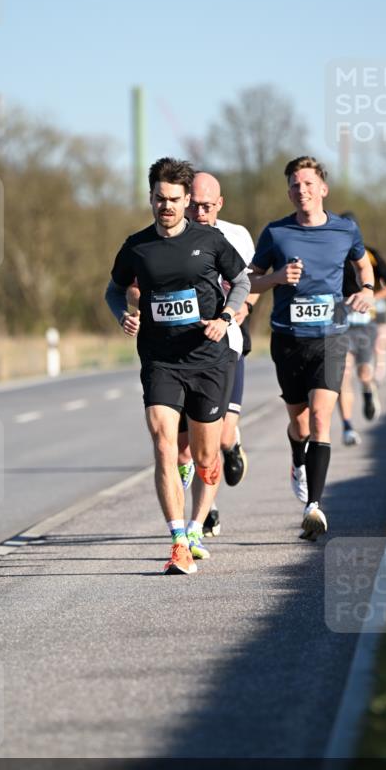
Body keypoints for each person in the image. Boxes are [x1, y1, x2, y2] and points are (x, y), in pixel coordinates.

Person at [105, 157, 250, 574]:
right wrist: (123, 314)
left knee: (205, 458)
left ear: (187, 200)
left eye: (173, 199)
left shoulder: (210, 240)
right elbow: (114, 291)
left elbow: (241, 281)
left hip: (207, 359)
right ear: (150, 198)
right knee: (165, 444)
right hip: (160, 360)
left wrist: (227, 317)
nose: (165, 206)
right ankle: (178, 541)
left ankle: (197, 523)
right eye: (158, 198)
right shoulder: (137, 246)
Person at [249, 157, 375, 540]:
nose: (300, 190)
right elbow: (251, 283)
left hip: (330, 337)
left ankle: (314, 507)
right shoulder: (275, 233)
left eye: (307, 183)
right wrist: (276, 277)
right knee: (299, 424)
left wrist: (366, 291)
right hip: (287, 338)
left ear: (323, 188)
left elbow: (363, 266)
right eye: (293, 185)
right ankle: (296, 460)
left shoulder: (345, 229)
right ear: (288, 192)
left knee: (322, 417)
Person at [183, 172, 258, 540]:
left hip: (227, 344)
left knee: (221, 435)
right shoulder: (172, 237)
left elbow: (251, 284)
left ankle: (233, 447)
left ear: (220, 204)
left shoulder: (237, 235)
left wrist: (239, 310)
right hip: (182, 352)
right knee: (190, 443)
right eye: (193, 204)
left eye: (207, 206)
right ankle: (206, 509)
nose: (199, 212)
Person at [337, 214, 386, 446]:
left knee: (363, 373)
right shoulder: (331, 254)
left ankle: (368, 391)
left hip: (365, 324)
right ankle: (347, 426)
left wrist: (371, 297)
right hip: (340, 322)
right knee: (343, 374)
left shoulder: (370, 254)